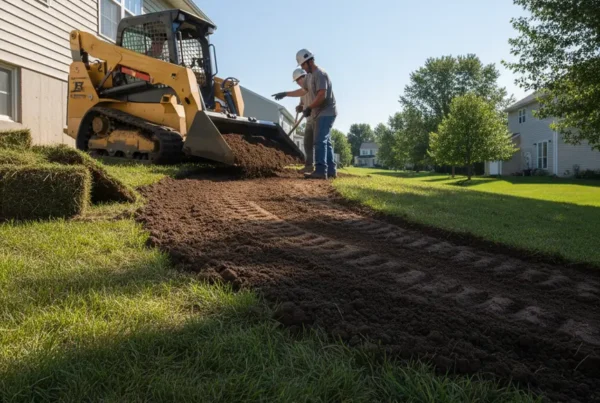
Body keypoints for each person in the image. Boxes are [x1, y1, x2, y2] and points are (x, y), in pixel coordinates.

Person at [272, 49, 337, 179]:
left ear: (309, 61)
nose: (302, 68)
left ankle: (320, 170)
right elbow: (302, 91)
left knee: (319, 141)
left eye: (302, 65)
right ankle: (331, 170)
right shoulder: (310, 76)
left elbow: (322, 95)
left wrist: (309, 107)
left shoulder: (320, 74)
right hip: (319, 112)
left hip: (326, 112)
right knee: (325, 142)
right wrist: (285, 94)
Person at [292, 68, 314, 173]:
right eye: (296, 81)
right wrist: (300, 107)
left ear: (304, 77)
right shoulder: (302, 91)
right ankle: (309, 165)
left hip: (317, 118)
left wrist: (308, 108)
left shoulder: (311, 86)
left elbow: (317, 101)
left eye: (298, 80)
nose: (298, 83)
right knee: (307, 143)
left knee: (320, 143)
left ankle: (323, 166)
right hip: (309, 120)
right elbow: (302, 103)